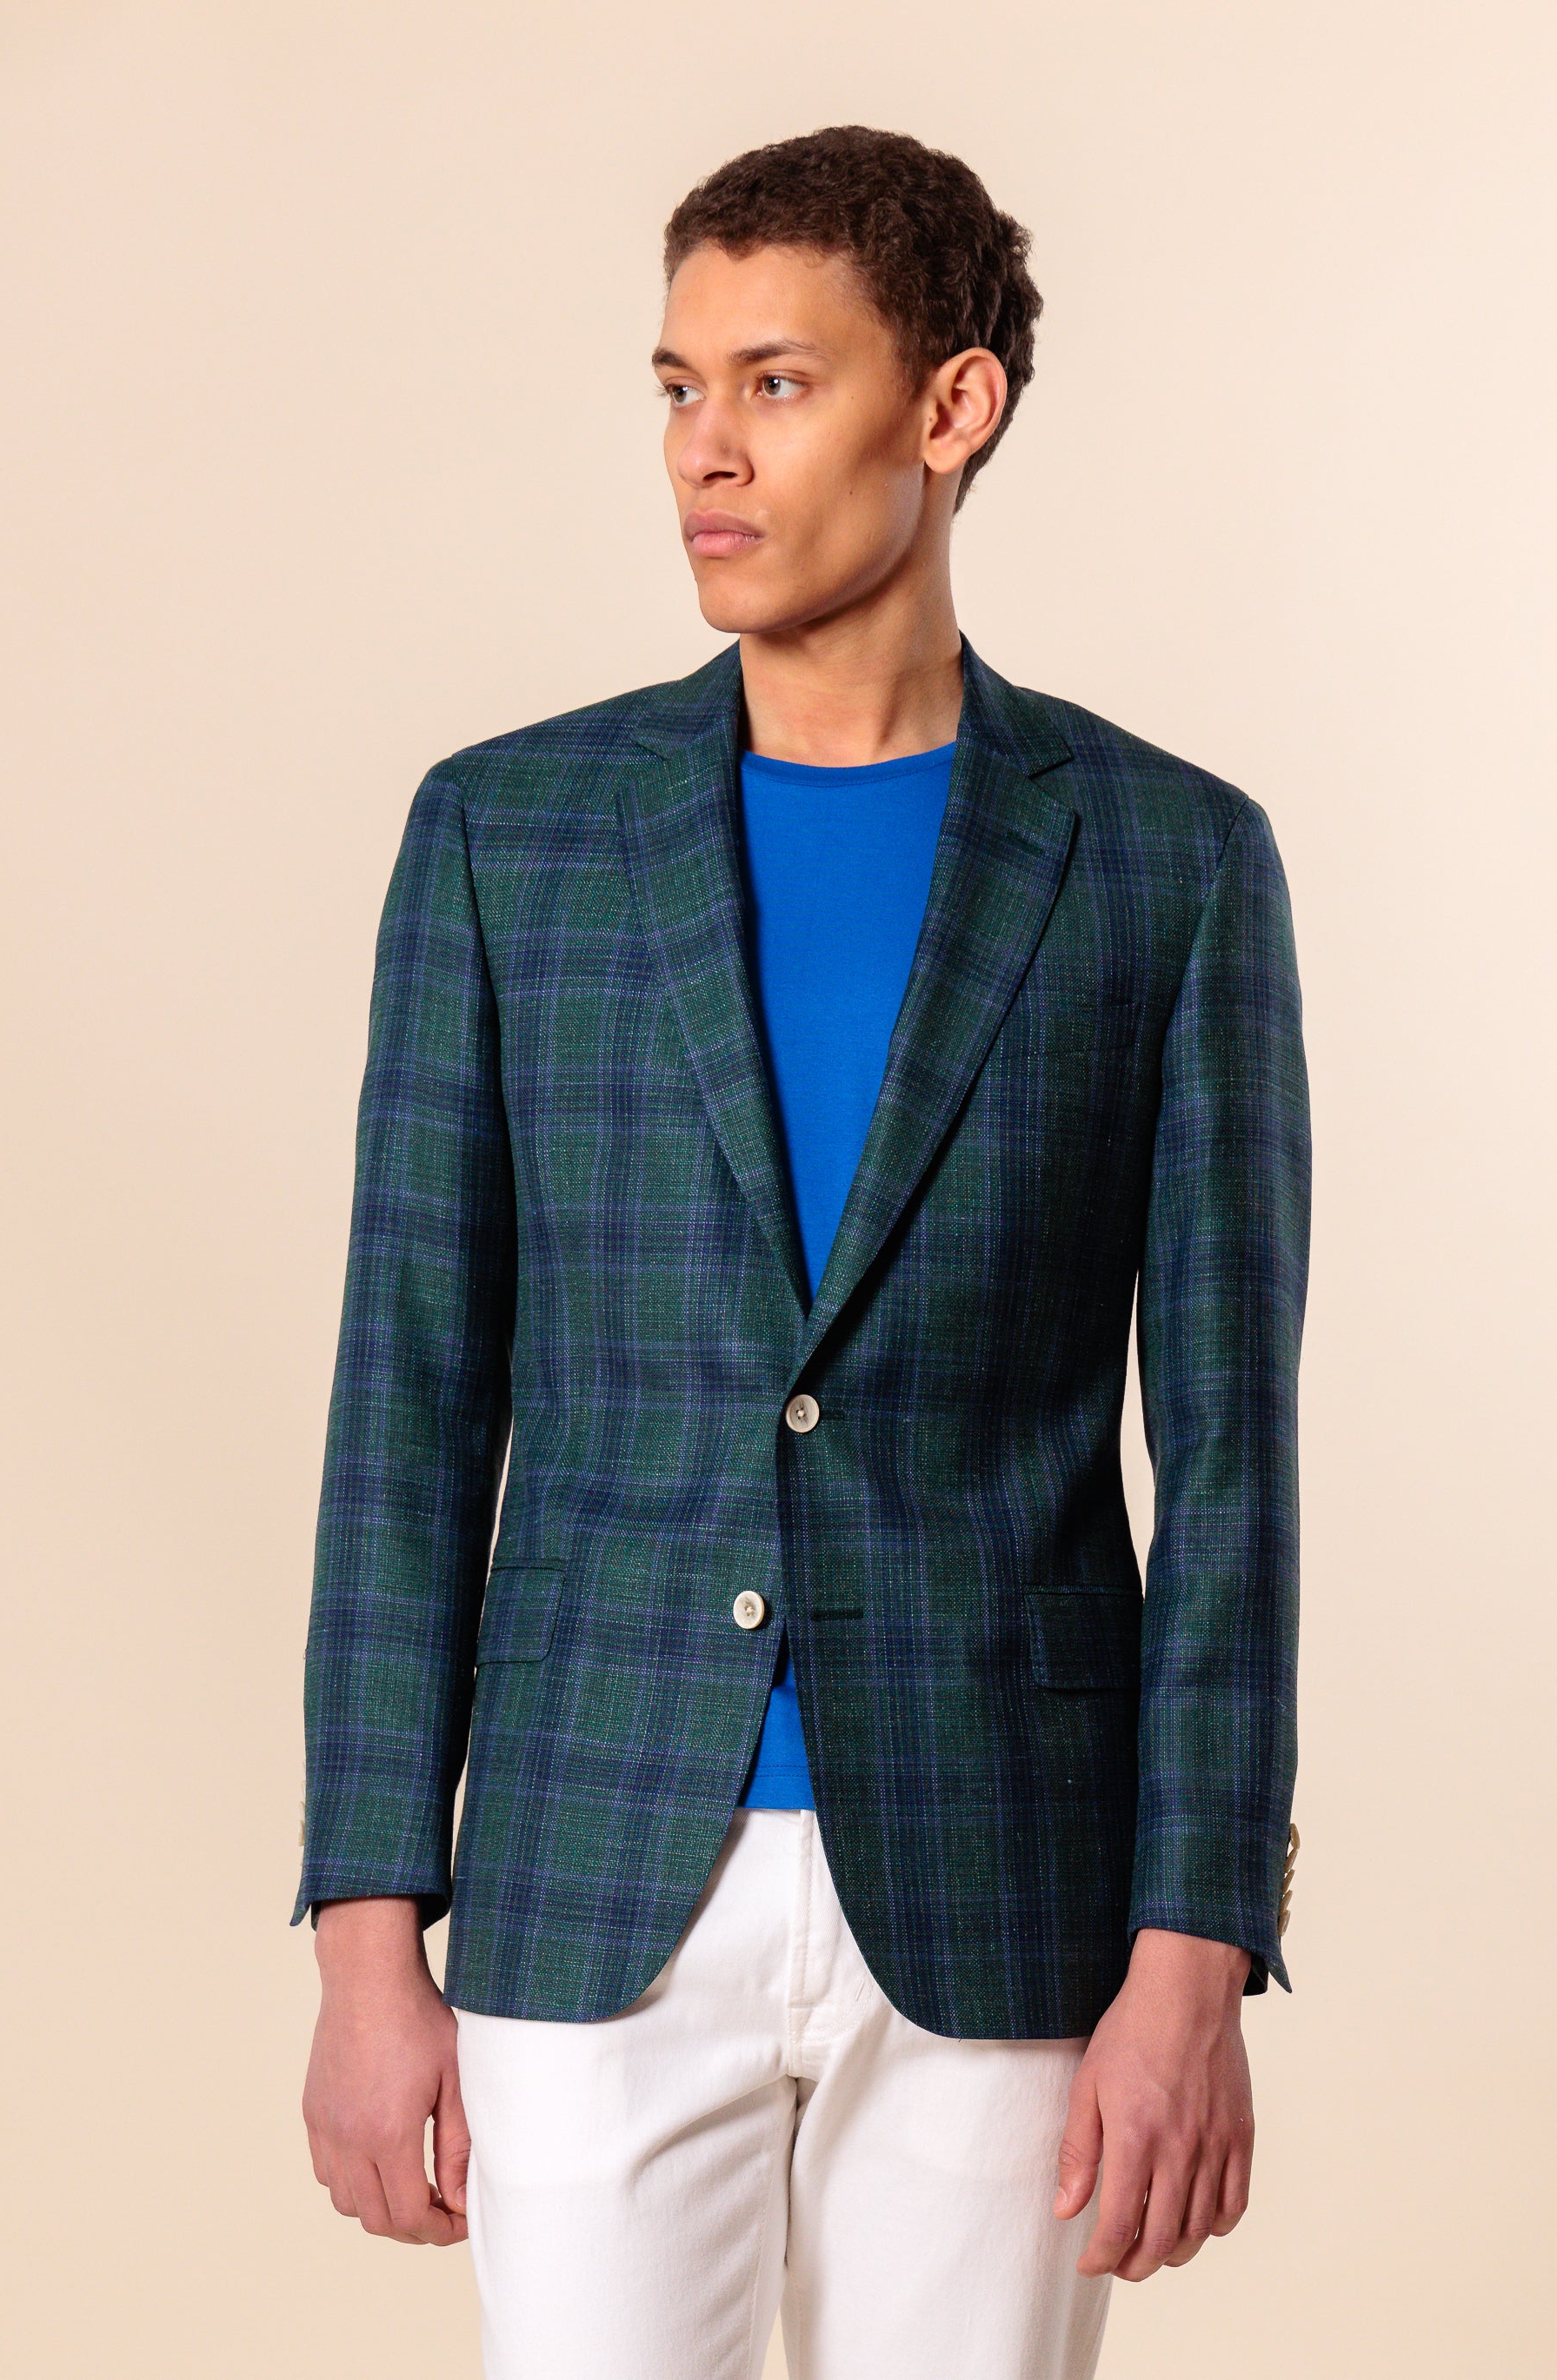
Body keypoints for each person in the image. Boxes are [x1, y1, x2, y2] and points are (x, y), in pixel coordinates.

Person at [294, 124, 1310, 2380]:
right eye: (677, 387)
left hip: (1007, 1886)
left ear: (949, 406)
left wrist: (1192, 1945)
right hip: (588, 1865)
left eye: (773, 382)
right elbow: (408, 1400)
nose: (704, 451)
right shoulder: (509, 838)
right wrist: (369, 1926)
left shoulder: (1166, 863)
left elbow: (1232, 1456)